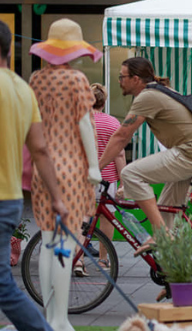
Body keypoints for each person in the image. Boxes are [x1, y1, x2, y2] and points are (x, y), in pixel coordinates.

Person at [29, 18, 102, 331]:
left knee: (48, 242)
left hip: (41, 169)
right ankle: (60, 319)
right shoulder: (76, 80)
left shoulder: (35, 80)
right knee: (65, 243)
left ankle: (49, 316)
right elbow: (85, 124)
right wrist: (95, 166)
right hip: (71, 167)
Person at [99, 57, 192, 241]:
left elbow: (121, 136)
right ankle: (169, 261)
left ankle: (163, 235)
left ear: (136, 79)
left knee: (130, 174)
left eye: (122, 77)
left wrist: (96, 168)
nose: (119, 81)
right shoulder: (160, 91)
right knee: (165, 211)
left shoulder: (148, 96)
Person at [0, 20, 67, 331]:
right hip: (10, 199)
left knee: (4, 286)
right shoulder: (22, 89)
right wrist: (56, 197)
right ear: (9, 49)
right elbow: (39, 149)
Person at [90, 83, 127, 271]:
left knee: (82, 216)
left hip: (85, 177)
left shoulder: (81, 121)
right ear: (104, 101)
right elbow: (119, 155)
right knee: (107, 218)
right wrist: (123, 182)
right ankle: (103, 260)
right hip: (108, 179)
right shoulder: (113, 123)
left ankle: (77, 260)